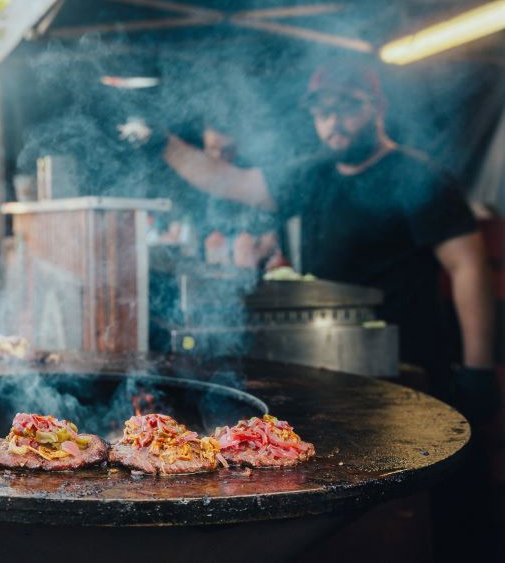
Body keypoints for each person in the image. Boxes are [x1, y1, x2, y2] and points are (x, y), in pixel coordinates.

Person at [162, 61, 496, 557]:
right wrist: (162, 143)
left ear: (377, 108)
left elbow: (468, 267)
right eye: (323, 112)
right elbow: (234, 182)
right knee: (350, 510)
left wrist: (478, 370)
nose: (334, 123)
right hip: (332, 373)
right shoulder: (314, 174)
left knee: (431, 508)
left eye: (347, 108)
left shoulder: (416, 175)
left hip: (408, 374)